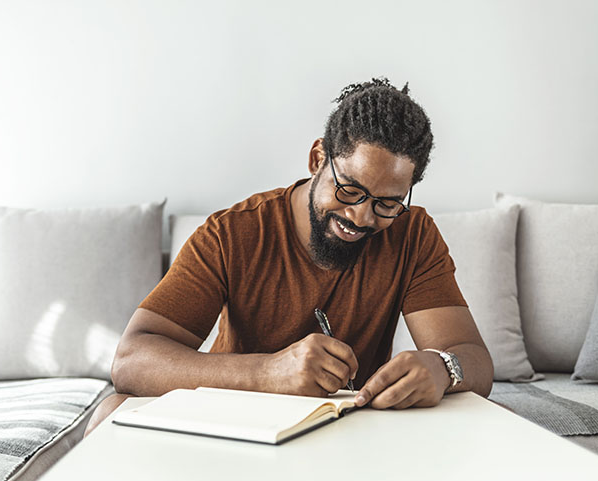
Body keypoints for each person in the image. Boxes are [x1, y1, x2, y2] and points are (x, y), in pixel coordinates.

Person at [84, 77, 494, 437]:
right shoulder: (233, 233)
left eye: (387, 203)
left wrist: (443, 368)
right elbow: (132, 360)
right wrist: (269, 373)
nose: (361, 216)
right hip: (233, 419)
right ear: (318, 159)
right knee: (108, 413)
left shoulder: (412, 234)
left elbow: (474, 359)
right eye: (349, 190)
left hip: (355, 429)